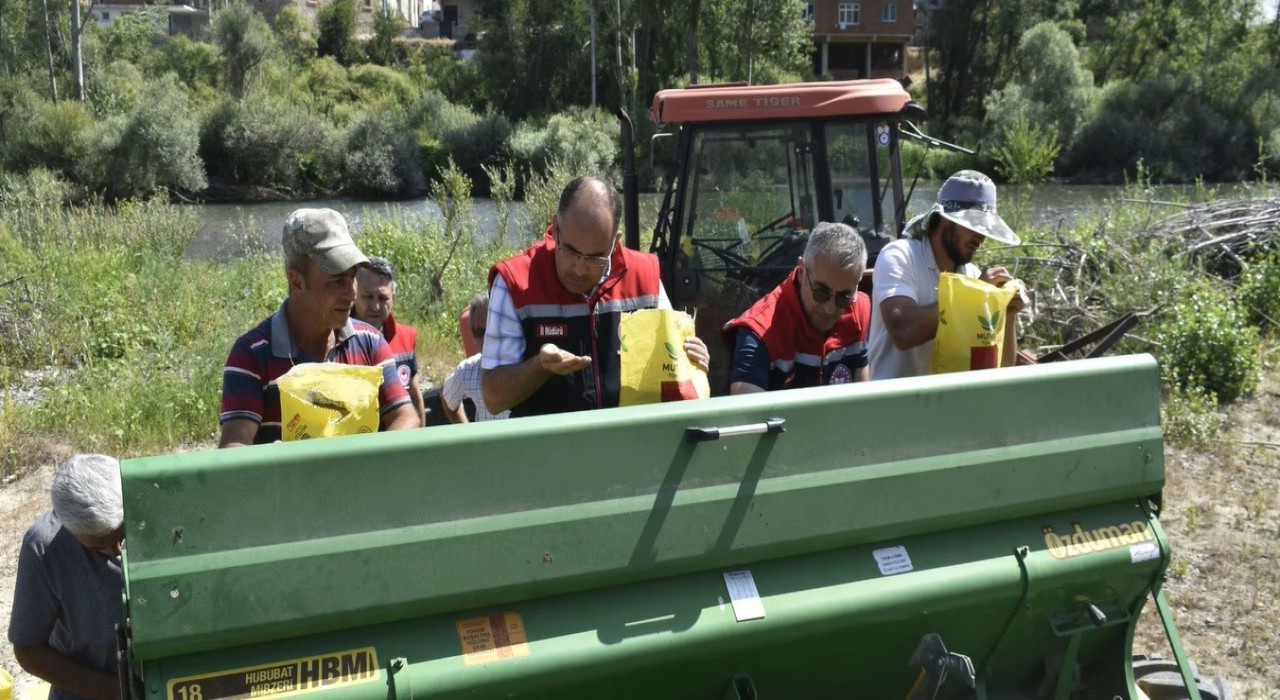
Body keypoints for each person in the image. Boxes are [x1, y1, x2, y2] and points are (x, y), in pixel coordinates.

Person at [480, 176, 710, 417]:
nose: (579, 269)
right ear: (555, 229)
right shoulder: (513, 281)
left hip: (627, 444)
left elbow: (672, 369)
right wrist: (539, 367)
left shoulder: (645, 276)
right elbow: (493, 398)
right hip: (547, 450)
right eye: (570, 251)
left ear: (615, 242)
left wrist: (692, 361)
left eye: (596, 257)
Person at [219, 208, 418, 447]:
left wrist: (364, 465)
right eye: (336, 281)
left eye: (352, 277)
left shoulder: (371, 342)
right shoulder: (251, 354)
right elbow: (235, 444)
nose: (351, 293)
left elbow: (406, 417)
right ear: (297, 281)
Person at [867, 170, 1026, 380]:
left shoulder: (970, 274)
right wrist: (973, 295)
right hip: (895, 405)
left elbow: (1002, 366)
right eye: (973, 225)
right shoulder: (900, 256)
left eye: (985, 228)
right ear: (945, 219)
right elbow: (903, 331)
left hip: (946, 405)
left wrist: (1009, 313)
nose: (981, 236)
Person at [9, 454, 125, 700]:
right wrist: (116, 691)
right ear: (70, 528)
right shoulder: (44, 547)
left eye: (121, 537)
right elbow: (28, 650)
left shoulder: (148, 509)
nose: (116, 552)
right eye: (99, 547)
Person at [723, 222, 870, 393]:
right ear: (801, 272)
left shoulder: (859, 309)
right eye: (821, 292)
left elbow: (862, 404)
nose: (830, 308)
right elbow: (748, 415)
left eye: (844, 297)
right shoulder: (758, 333)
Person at [353, 257, 426, 426]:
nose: (375, 306)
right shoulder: (338, 338)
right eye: (367, 296)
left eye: (383, 298)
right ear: (354, 294)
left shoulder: (406, 337)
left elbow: (414, 396)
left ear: (393, 298)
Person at [442, 292, 509, 422]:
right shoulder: (468, 370)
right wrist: (465, 433)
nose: (486, 339)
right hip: (487, 442)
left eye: (491, 330)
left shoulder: (527, 365)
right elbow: (447, 398)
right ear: (472, 334)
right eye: (479, 332)